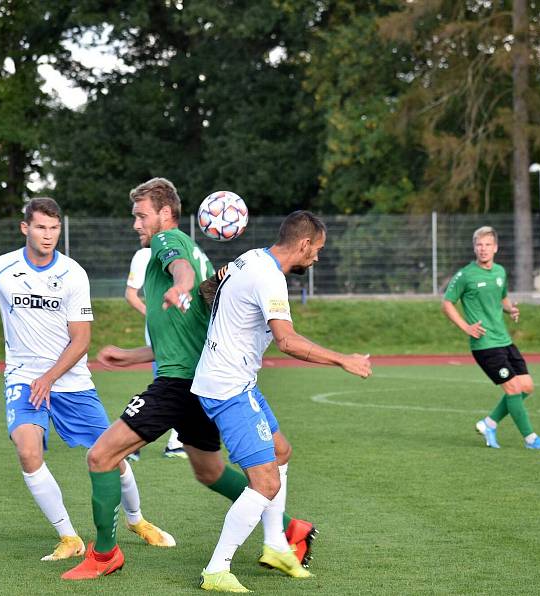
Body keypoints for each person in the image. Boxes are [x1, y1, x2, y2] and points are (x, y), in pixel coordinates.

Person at [62, 178, 317, 582]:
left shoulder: (169, 242)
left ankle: (104, 554)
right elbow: (183, 333)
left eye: (141, 215)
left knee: (101, 456)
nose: (136, 224)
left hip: (178, 385)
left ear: (165, 213)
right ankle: (287, 529)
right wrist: (134, 355)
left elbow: (178, 268)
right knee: (210, 471)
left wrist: (180, 283)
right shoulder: (189, 251)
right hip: (198, 377)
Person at [0, 198, 174, 563]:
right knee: (27, 450)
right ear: (25, 228)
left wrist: (50, 377)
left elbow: (81, 340)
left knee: (113, 456)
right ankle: (68, 536)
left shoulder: (73, 273)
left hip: (71, 380)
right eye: (40, 228)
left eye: (54, 229)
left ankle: (136, 519)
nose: (48, 236)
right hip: (22, 377)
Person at [192, 211, 372, 592]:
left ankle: (275, 545)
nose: (317, 257)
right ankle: (216, 569)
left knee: (281, 451)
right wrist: (344, 359)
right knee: (265, 483)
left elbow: (210, 290)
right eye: (317, 250)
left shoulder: (250, 257)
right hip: (229, 387)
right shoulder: (270, 276)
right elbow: (287, 341)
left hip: (233, 379)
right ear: (304, 244)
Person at [442, 226, 540, 450]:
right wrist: (465, 326)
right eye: (479, 245)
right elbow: (447, 303)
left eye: (487, 245)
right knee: (513, 388)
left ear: (495, 248)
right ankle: (531, 439)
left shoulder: (500, 272)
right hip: (484, 344)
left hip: (504, 340)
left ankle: (489, 423)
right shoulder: (465, 275)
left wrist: (510, 309)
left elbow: (502, 297)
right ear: (474, 248)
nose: (483, 249)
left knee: (527, 386)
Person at [125, 245, 187, 460]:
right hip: (164, 335)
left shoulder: (182, 251)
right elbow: (131, 295)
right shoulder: (144, 255)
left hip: (183, 333)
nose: (138, 225)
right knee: (169, 387)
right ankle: (130, 439)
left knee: (178, 386)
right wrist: (154, 316)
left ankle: (175, 442)